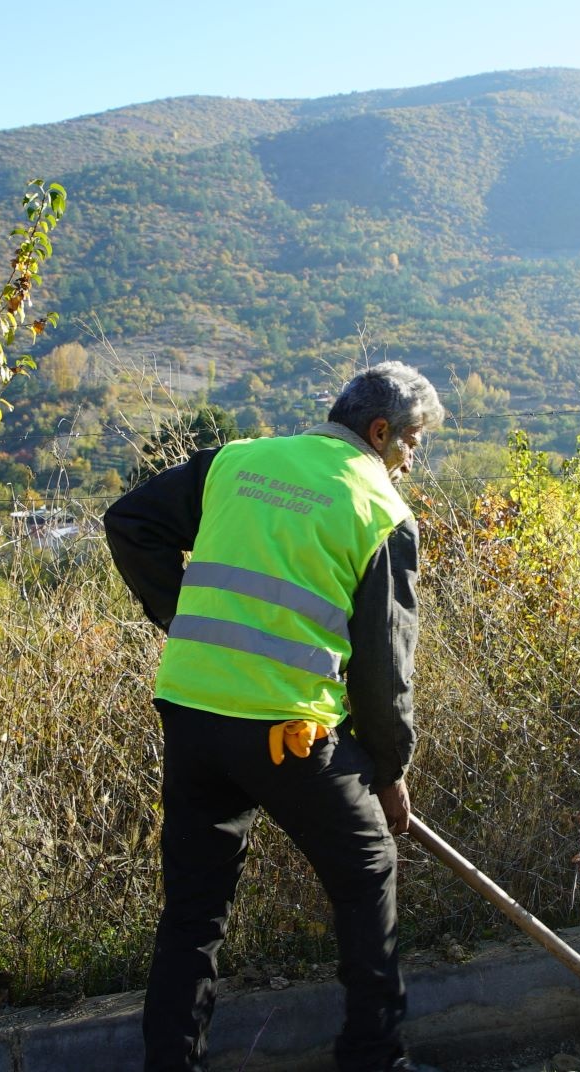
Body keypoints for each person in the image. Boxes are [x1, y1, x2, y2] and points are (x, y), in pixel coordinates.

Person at [104, 361, 443, 1072]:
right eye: (412, 442)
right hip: (287, 733)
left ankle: (173, 1064)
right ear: (380, 433)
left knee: (195, 911)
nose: (412, 460)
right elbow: (384, 672)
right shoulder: (380, 509)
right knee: (368, 866)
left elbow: (130, 521)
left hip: (192, 712)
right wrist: (390, 773)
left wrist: (179, 614)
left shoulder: (238, 460)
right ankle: (375, 1059)